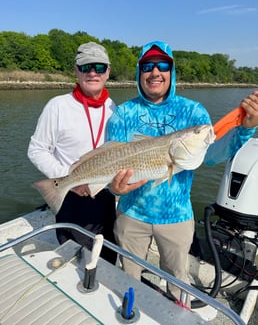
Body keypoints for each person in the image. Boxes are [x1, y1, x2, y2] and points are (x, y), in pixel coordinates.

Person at [107, 40, 258, 306]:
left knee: (178, 280)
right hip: (130, 214)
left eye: (162, 65)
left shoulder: (193, 112)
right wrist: (113, 188)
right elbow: (112, 165)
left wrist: (244, 129)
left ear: (171, 71)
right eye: (147, 66)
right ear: (139, 72)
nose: (155, 72)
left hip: (176, 217)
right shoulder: (123, 113)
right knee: (128, 276)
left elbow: (210, 156)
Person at [28, 41, 117, 264]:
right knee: (77, 261)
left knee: (107, 257)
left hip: (106, 195)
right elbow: (36, 149)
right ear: (76, 71)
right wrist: (69, 178)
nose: (93, 73)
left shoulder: (114, 108)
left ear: (108, 72)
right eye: (86, 67)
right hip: (71, 196)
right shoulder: (57, 106)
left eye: (99, 67)